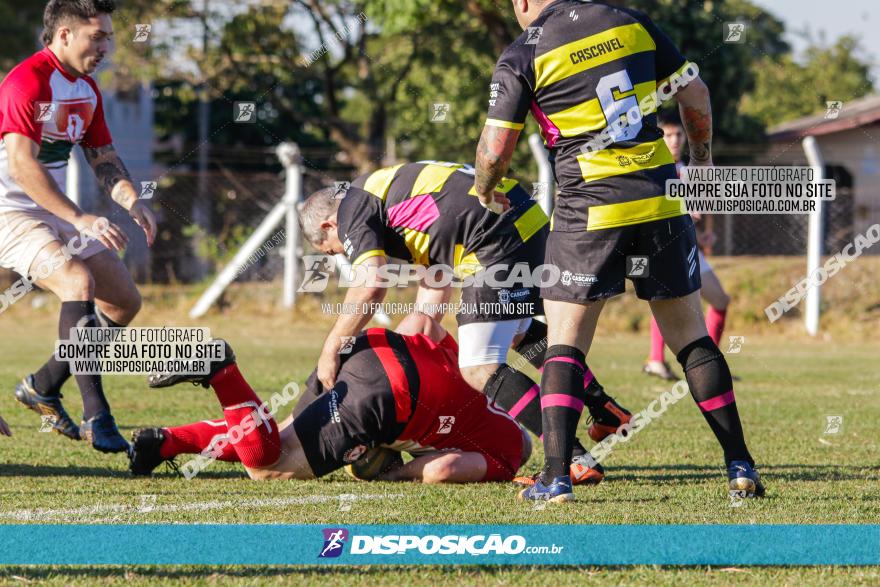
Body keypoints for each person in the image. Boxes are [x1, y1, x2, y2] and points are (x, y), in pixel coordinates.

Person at [474, 0, 763, 502]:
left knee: (564, 343)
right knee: (692, 339)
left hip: (591, 209)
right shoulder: (628, 21)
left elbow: (495, 151)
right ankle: (740, 466)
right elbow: (695, 92)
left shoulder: (523, 53)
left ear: (521, 2)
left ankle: (557, 477)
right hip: (659, 200)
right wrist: (702, 161)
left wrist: (484, 188)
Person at [299, 160, 633, 485]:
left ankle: (571, 457)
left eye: (333, 251)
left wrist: (332, 347)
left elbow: (370, 283)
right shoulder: (388, 194)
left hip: (493, 239)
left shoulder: (353, 208)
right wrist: (409, 352)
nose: (342, 255)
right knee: (518, 330)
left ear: (330, 225)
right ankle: (604, 408)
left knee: (478, 365)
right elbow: (435, 280)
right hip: (526, 222)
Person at [1, 0, 156, 453]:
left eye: (108, 35)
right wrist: (79, 217)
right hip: (9, 211)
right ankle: (97, 415)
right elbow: (22, 166)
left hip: (49, 209)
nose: (106, 45)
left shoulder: (87, 89)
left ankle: (43, 385)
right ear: (64, 35)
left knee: (124, 302)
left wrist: (131, 200)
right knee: (77, 280)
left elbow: (103, 157)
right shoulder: (25, 81)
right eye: (98, 36)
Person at [129, 313, 530, 484]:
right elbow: (445, 469)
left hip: (369, 347)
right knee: (268, 467)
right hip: (386, 398)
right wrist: (397, 473)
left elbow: (421, 323)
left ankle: (166, 442)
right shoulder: (509, 456)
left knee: (281, 433)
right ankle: (223, 373)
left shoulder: (486, 375)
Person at [644, 112, 730, 381]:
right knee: (666, 302)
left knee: (720, 300)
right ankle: (657, 360)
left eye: (679, 134)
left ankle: (710, 362)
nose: (675, 139)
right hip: (666, 248)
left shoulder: (690, 170)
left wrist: (702, 235)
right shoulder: (654, 170)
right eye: (668, 134)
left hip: (689, 248)